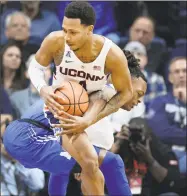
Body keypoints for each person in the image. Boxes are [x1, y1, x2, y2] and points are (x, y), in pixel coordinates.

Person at [3, 50, 147, 196]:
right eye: (139, 93)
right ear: (127, 80)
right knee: (111, 162)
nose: (139, 100)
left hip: (27, 135)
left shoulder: (97, 88)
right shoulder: (100, 91)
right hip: (29, 135)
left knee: (69, 167)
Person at [26, 2, 134, 195]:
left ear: (89, 30)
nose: (67, 37)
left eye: (73, 32)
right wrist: (43, 89)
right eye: (64, 30)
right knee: (86, 162)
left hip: (93, 111)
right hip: (61, 110)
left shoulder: (112, 55)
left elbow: (126, 93)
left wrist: (90, 120)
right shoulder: (56, 41)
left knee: (90, 168)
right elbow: (35, 67)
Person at [147, 57, 186, 174]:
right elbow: (160, 132)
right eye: (177, 71)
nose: (181, 75)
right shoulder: (159, 101)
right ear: (170, 77)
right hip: (166, 154)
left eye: (185, 71)